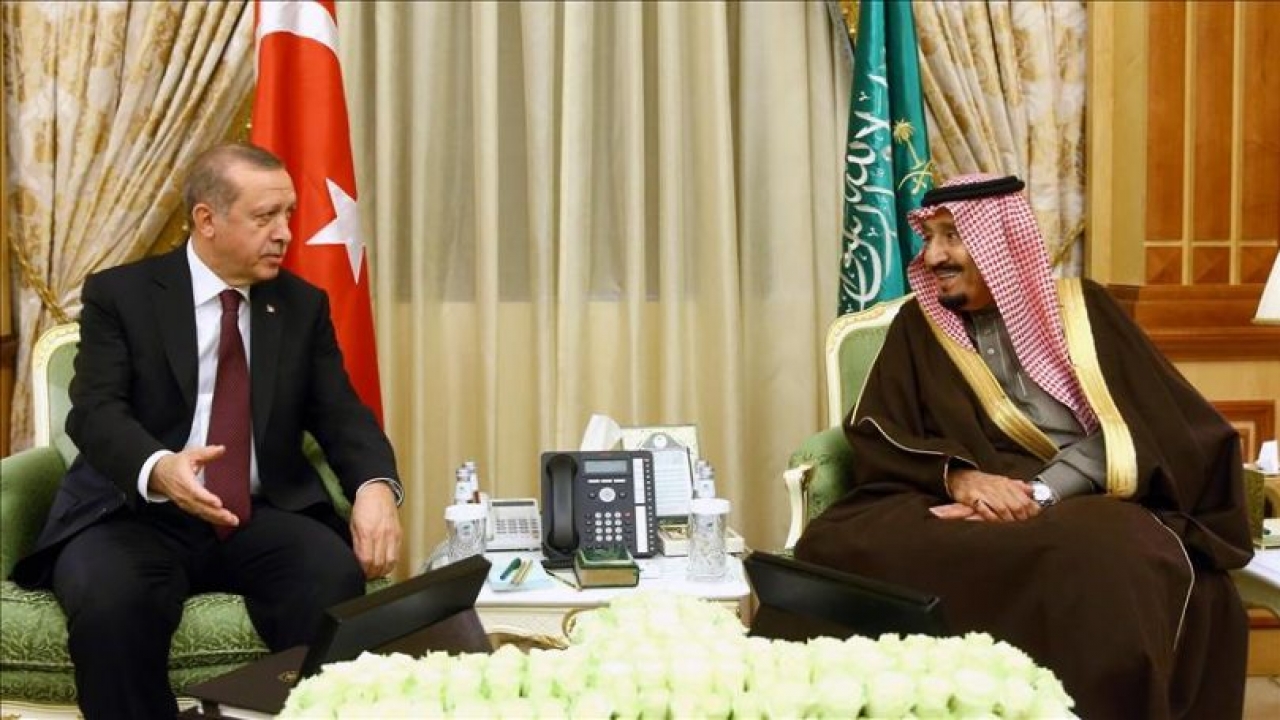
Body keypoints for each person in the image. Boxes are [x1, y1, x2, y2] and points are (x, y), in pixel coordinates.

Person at [795, 174, 1252, 720]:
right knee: (838, 543)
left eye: (952, 236)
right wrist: (963, 481)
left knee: (1102, 560)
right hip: (963, 487)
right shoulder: (919, 326)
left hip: (1088, 495)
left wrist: (1040, 491)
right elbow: (878, 427)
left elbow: (1145, 423)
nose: (934, 256)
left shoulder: (1085, 312)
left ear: (1001, 239)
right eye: (929, 238)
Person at [10, 143, 404, 719]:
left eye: (288, 214)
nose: (285, 233)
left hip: (257, 514)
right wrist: (159, 468)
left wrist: (375, 487)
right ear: (207, 220)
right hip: (134, 513)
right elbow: (95, 412)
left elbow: (343, 415)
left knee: (329, 577)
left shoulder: (300, 306)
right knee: (110, 601)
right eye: (265, 216)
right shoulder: (122, 295)